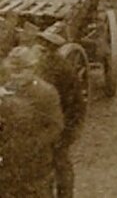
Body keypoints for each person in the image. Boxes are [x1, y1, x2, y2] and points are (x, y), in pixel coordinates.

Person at [0, 45, 64, 198]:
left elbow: (56, 126)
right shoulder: (5, 91)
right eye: (13, 72)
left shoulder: (45, 93)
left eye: (20, 72)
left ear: (32, 69)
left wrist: (33, 145)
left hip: (36, 166)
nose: (16, 76)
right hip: (8, 165)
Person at [30, 31, 86, 198]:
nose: (38, 50)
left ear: (49, 51)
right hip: (51, 124)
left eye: (42, 48)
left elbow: (73, 106)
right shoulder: (43, 66)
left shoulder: (59, 70)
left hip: (62, 125)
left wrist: (65, 133)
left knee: (60, 163)